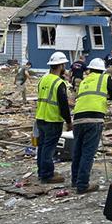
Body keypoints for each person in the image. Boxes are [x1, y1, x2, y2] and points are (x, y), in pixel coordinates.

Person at [70, 58, 112, 194]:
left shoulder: (85, 80)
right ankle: (82, 185)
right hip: (94, 118)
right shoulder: (105, 78)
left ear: (90, 69)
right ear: (102, 70)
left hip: (78, 117)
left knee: (78, 151)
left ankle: (75, 180)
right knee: (88, 153)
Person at [35, 52, 72, 184]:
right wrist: (69, 121)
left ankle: (41, 171)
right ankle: (47, 175)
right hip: (52, 119)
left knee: (42, 146)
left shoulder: (43, 80)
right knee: (48, 149)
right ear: (61, 65)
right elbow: (63, 106)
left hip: (40, 118)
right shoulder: (58, 83)